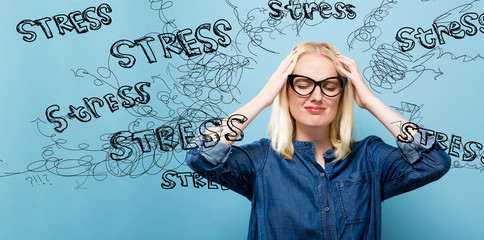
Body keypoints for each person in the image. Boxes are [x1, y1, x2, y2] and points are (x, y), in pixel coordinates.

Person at [185, 41, 451, 240]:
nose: (316, 96)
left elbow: (434, 162)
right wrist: (264, 98)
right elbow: (200, 155)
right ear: (285, 90)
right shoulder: (262, 161)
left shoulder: (369, 157)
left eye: (330, 85)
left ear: (341, 93)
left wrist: (370, 101)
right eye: (302, 84)